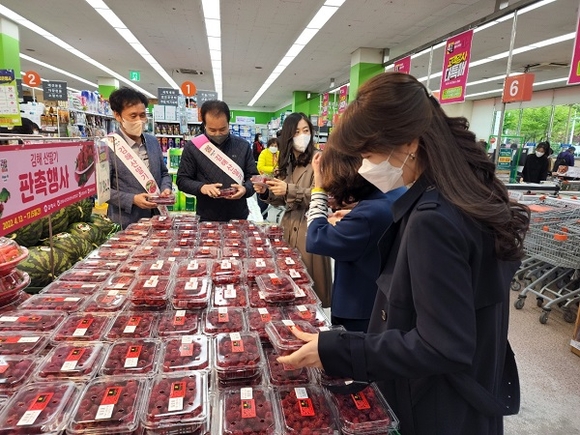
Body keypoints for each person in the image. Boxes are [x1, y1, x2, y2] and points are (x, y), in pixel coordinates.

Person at [277, 72, 530, 435]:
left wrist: (339, 350)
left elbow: (441, 345)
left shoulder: (433, 219)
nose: (364, 167)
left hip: (435, 405)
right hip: (472, 396)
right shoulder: (470, 194)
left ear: (409, 142)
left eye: (368, 155)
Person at [306, 143, 406, 332]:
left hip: (358, 305)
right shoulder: (395, 192)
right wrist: (352, 217)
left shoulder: (370, 214)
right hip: (379, 297)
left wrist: (318, 187)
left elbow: (316, 237)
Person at [253, 112, 332, 307]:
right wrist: (267, 191)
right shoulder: (286, 162)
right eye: (297, 132)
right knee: (288, 287)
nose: (302, 136)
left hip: (310, 228)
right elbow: (281, 199)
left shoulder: (319, 159)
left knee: (310, 291)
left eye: (306, 131)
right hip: (288, 227)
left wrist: (289, 189)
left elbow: (322, 195)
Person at [176, 100, 258, 222]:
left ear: (228, 123)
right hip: (207, 217)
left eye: (223, 129)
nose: (218, 134)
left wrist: (245, 189)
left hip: (238, 216)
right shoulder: (193, 147)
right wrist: (202, 187)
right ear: (204, 125)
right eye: (212, 130)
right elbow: (182, 180)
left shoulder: (243, 146)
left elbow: (254, 178)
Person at [107, 87, 172, 228]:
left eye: (142, 115)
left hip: (157, 219)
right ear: (118, 116)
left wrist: (165, 188)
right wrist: (132, 199)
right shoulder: (107, 146)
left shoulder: (152, 141)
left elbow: (164, 173)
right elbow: (102, 191)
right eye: (133, 116)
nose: (139, 121)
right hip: (126, 223)